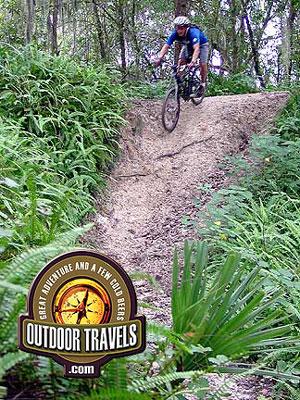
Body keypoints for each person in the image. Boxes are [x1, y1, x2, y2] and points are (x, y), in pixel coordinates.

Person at [155, 16, 209, 97]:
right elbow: (166, 46)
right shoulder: (175, 34)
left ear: (186, 27)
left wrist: (193, 62)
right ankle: (181, 85)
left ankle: (202, 84)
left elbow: (197, 49)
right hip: (187, 45)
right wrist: (159, 58)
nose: (179, 30)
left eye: (181, 28)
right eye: (177, 27)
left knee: (203, 63)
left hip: (201, 45)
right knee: (180, 62)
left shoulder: (193, 33)